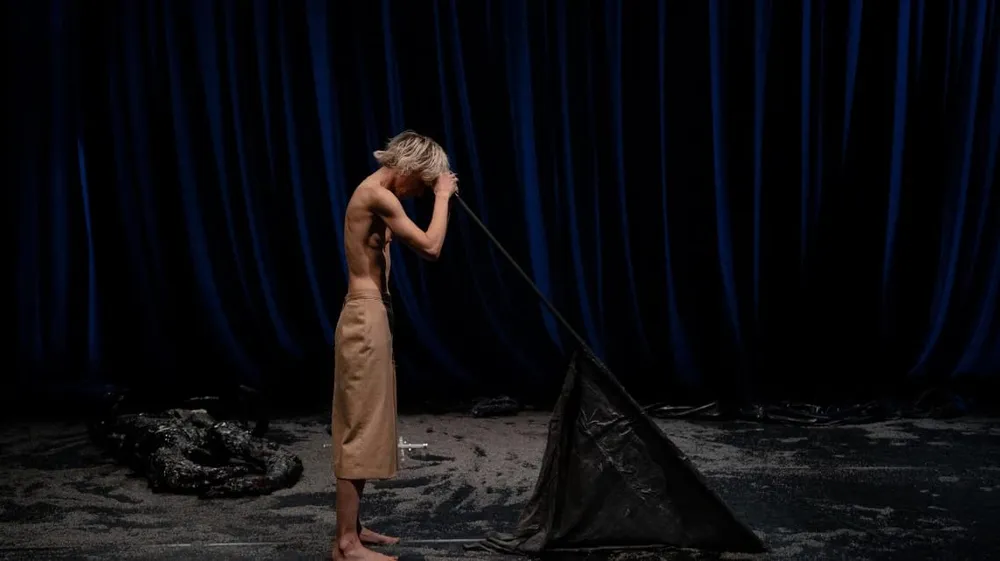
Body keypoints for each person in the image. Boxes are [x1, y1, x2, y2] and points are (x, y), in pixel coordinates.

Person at [331, 130, 458, 561]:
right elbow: (431, 247)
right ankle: (345, 545)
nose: (419, 192)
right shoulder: (377, 195)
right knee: (359, 426)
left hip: (373, 315)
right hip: (364, 317)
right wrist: (443, 196)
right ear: (408, 167)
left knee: (367, 422)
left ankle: (354, 528)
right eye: (421, 182)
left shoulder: (379, 195)